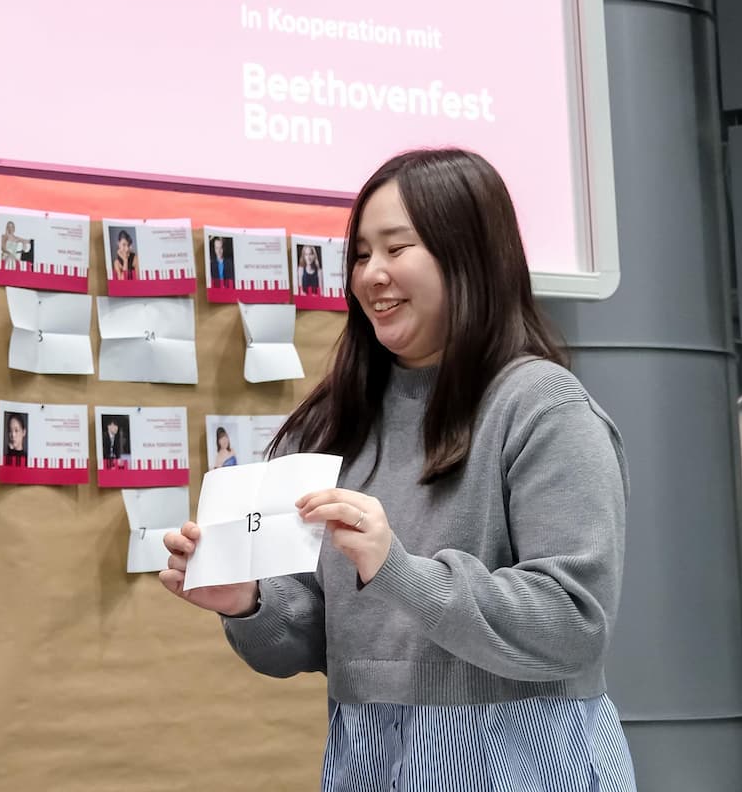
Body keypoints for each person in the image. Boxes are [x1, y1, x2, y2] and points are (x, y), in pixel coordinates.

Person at [160, 149, 635, 791]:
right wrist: (247, 604)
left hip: (523, 756)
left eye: (396, 248)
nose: (372, 275)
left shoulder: (541, 407)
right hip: (365, 756)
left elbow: (575, 622)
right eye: (360, 255)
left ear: (468, 256)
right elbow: (317, 636)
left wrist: (400, 572)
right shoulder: (332, 420)